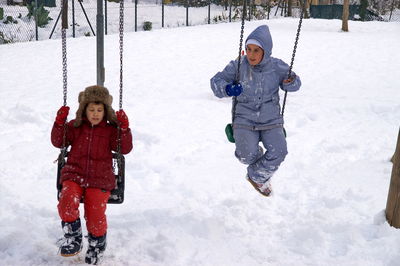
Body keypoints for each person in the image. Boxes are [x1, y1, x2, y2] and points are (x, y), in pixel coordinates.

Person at [210, 25, 301, 197]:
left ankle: (257, 176)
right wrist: (227, 89)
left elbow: (295, 82)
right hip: (244, 119)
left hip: (271, 120)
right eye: (248, 49)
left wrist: (290, 82)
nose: (250, 55)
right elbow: (216, 81)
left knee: (280, 151)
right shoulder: (238, 66)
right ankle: (256, 157)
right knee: (245, 156)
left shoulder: (277, 66)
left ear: (265, 51)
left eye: (256, 50)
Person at [51, 85, 133, 264]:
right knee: (67, 199)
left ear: (105, 111)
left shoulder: (111, 130)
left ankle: (97, 244)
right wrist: (59, 123)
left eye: (99, 110)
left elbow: (124, 148)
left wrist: (124, 129)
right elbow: (59, 141)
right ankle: (73, 237)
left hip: (100, 179)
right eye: (91, 109)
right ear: (84, 110)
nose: (95, 114)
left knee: (95, 212)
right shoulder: (75, 126)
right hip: (74, 174)